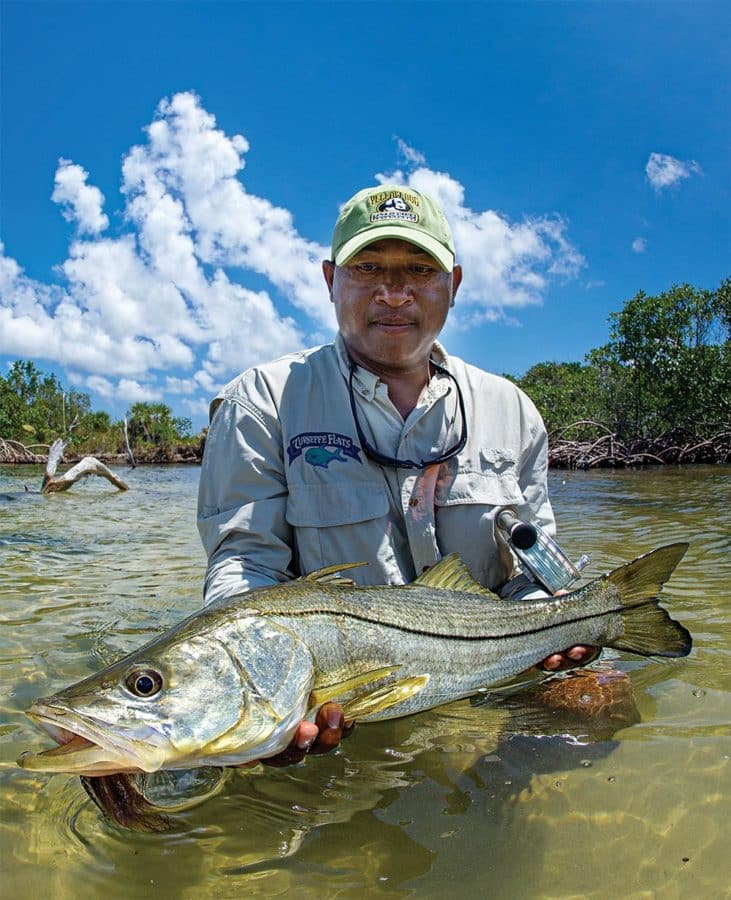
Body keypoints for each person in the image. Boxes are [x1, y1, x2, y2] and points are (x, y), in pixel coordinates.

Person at [197, 185, 595, 763]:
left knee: (602, 707)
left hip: (488, 666)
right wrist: (262, 690)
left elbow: (532, 563)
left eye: (418, 268)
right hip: (347, 702)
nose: (393, 292)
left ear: (452, 285)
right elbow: (245, 567)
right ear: (331, 279)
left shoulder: (513, 409)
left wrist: (552, 620)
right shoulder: (260, 402)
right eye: (367, 268)